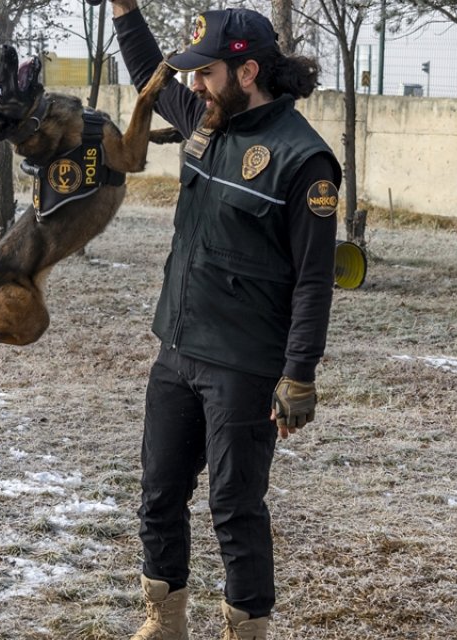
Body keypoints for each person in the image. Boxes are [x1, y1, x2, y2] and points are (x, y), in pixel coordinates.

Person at [108, 2, 341, 639]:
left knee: (234, 508)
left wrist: (298, 376)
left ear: (246, 73)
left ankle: (246, 631)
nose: (192, 84)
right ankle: (165, 620)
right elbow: (149, 77)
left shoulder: (305, 162)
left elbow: (315, 281)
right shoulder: (206, 120)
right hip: (177, 349)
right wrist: (125, 11)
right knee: (159, 496)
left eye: (205, 72)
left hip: (244, 365)